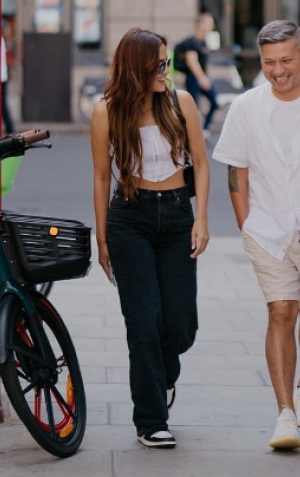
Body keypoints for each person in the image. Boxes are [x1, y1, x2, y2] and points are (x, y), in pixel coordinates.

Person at [213, 20, 300, 450]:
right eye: (269, 62)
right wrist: (246, 226)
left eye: (286, 61)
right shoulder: (247, 107)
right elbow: (235, 168)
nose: (278, 71)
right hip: (267, 229)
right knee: (281, 311)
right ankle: (284, 414)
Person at [91, 27, 210, 448]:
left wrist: (202, 220)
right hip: (130, 219)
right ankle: (151, 419)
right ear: (137, 67)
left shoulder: (182, 103)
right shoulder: (106, 111)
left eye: (168, 62)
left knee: (180, 325)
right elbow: (103, 176)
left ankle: (164, 374)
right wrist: (102, 240)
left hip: (178, 215)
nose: (166, 70)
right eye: (159, 63)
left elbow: (201, 160)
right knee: (142, 322)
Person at [177, 13, 219, 136]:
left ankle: (204, 129)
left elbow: (205, 63)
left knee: (214, 102)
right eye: (210, 23)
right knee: (192, 107)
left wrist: (207, 77)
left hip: (202, 78)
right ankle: (188, 133)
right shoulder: (192, 42)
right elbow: (192, 61)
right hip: (193, 79)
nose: (212, 26)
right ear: (201, 24)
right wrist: (202, 78)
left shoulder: (203, 42)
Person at [0, 35, 15, 134]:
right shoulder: (1, 38)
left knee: (2, 104)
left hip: (1, 77)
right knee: (3, 104)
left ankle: (10, 128)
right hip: (2, 76)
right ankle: (10, 128)